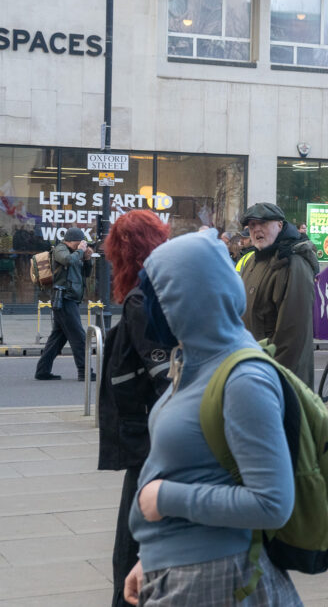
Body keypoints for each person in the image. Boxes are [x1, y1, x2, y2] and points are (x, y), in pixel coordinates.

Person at [123, 228, 300, 606]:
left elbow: (272, 503)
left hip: (213, 578)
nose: (145, 305)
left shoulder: (243, 379)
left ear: (185, 300)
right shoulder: (194, 360)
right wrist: (150, 558)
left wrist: (166, 497)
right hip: (180, 568)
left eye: (153, 294)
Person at [98, 211, 174, 607]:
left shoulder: (141, 300)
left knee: (134, 543)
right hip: (153, 437)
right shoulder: (157, 291)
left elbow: (165, 378)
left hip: (149, 440)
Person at [239, 202, 318, 388]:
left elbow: (292, 334)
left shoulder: (292, 264)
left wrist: (273, 376)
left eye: (263, 224)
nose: (257, 230)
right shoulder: (252, 260)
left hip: (278, 377)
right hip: (254, 367)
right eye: (252, 226)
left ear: (280, 225)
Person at [35, 227, 93, 382]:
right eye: (80, 242)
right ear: (72, 240)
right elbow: (67, 260)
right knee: (79, 337)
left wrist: (87, 259)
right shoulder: (60, 249)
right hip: (64, 299)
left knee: (57, 340)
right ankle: (84, 371)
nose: (83, 245)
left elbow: (86, 274)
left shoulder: (76, 253)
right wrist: (80, 252)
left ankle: (42, 371)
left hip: (71, 299)